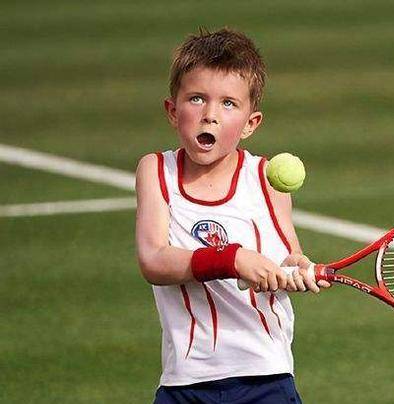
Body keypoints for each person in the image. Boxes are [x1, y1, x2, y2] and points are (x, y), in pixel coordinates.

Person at [135, 27, 328, 404]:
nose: (209, 115)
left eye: (228, 104)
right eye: (196, 99)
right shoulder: (156, 170)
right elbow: (154, 260)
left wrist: (296, 269)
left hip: (265, 378)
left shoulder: (267, 179)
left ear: (251, 123)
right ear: (172, 111)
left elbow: (288, 255)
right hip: (185, 382)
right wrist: (233, 259)